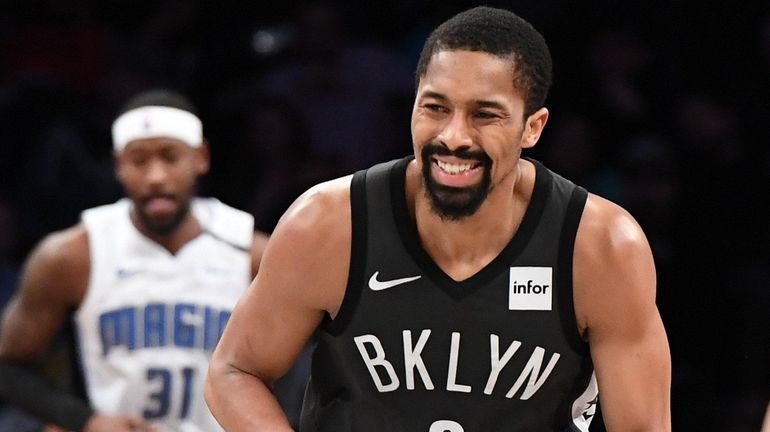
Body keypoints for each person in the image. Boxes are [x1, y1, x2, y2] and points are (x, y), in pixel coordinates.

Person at [205, 6, 671, 432]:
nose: (453, 136)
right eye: (436, 107)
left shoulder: (600, 246)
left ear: (533, 126)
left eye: (484, 115)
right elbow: (235, 370)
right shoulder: (331, 224)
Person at [0, 89, 269, 432]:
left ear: (201, 157)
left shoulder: (252, 253)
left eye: (170, 157)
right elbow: (8, 365)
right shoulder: (72, 255)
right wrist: (85, 421)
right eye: (139, 160)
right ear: (118, 165)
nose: (156, 176)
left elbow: (304, 364)